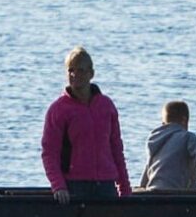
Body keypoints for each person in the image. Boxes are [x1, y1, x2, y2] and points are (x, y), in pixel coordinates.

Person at [42, 46, 131, 202]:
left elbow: (116, 149)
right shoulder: (58, 110)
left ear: (91, 74)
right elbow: (50, 153)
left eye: (81, 70)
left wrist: (125, 188)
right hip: (75, 186)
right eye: (71, 70)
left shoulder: (106, 106)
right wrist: (59, 186)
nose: (75, 75)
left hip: (106, 184)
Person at [140, 100, 196, 191]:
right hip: (176, 194)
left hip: (153, 192)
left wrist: (142, 189)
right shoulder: (187, 137)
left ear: (163, 123)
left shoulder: (154, 140)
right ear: (184, 120)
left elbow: (148, 170)